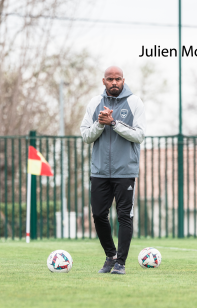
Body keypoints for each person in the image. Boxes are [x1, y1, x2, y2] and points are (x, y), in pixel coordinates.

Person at [80, 66, 145, 275]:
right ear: (103, 81)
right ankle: (111, 255)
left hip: (125, 171)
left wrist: (114, 123)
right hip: (99, 171)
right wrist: (100, 124)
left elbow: (139, 135)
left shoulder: (134, 102)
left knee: (124, 215)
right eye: (110, 79)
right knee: (99, 215)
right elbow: (85, 136)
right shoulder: (94, 103)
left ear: (123, 80)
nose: (114, 82)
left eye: (118, 79)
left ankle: (121, 263)